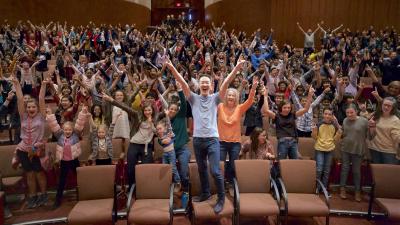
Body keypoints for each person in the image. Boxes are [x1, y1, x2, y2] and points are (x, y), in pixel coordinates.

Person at [164, 58, 225, 214]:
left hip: (212, 139)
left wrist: (237, 67)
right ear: (199, 85)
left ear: (211, 86)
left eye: (207, 82)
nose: (204, 84)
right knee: (202, 169)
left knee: (216, 171)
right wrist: (171, 68)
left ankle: (221, 198)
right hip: (198, 140)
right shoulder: (193, 99)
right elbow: (183, 84)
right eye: (202, 82)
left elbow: (225, 84)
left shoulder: (216, 98)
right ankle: (205, 193)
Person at [217, 60, 262, 184]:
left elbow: (250, 101)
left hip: (235, 142)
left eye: (233, 95)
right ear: (226, 97)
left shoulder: (240, 108)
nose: (231, 97)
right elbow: (220, 91)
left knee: (232, 165)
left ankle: (231, 183)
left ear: (236, 97)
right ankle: (220, 184)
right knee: (221, 165)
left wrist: (253, 88)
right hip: (221, 142)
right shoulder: (220, 106)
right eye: (229, 95)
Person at [11, 76, 48, 209]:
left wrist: (43, 85)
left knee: (39, 173)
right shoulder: (23, 116)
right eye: (29, 107)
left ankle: (43, 195)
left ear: (37, 108)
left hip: (37, 150)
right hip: (23, 149)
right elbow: (21, 99)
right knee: (30, 174)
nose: (31, 108)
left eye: (33, 106)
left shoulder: (41, 117)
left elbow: (42, 99)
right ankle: (33, 196)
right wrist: (16, 84)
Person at [47, 105, 89, 209]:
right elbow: (54, 125)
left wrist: (83, 112)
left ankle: (84, 196)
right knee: (61, 181)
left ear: (72, 130)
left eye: (69, 129)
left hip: (74, 161)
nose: (67, 131)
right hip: (64, 162)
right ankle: (58, 200)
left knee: (79, 179)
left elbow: (79, 123)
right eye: (65, 130)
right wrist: (49, 115)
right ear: (63, 130)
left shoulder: (76, 134)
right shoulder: (59, 135)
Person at [263, 85, 315, 159]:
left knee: (295, 162)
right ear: (281, 107)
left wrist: (309, 96)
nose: (287, 109)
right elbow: (266, 110)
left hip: (293, 142)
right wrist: (265, 96)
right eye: (285, 107)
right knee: (281, 162)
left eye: (289, 108)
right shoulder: (277, 116)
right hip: (282, 142)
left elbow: (306, 109)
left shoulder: (293, 115)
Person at [339, 104, 369, 202]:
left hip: (358, 149)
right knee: (344, 169)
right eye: (347, 112)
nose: (349, 114)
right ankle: (342, 188)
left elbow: (370, 136)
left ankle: (357, 191)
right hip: (345, 149)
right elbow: (343, 134)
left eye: (351, 112)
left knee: (356, 171)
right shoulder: (345, 120)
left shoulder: (364, 121)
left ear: (356, 111)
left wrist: (373, 127)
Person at [311, 107, 342, 190]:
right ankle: (317, 187)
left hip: (330, 149)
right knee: (319, 169)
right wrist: (314, 131)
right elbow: (315, 138)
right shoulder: (319, 124)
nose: (327, 116)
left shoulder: (334, 126)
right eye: (326, 114)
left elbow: (335, 139)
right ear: (323, 114)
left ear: (332, 116)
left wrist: (339, 133)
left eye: (329, 114)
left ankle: (324, 188)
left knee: (327, 170)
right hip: (319, 148)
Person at [368, 97, 400, 164]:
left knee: (389, 173)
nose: (386, 107)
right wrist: (371, 126)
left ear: (393, 108)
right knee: (376, 172)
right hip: (374, 148)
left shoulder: (396, 120)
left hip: (389, 151)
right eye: (384, 105)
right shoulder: (375, 115)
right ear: (381, 105)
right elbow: (372, 135)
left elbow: (396, 137)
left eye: (389, 106)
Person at [156, 110, 181, 186]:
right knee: (164, 167)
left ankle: (178, 182)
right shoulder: (160, 135)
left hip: (171, 153)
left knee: (173, 168)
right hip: (165, 154)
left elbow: (168, 123)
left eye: (160, 129)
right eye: (157, 129)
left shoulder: (168, 132)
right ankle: (166, 182)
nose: (159, 130)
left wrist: (166, 115)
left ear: (165, 128)